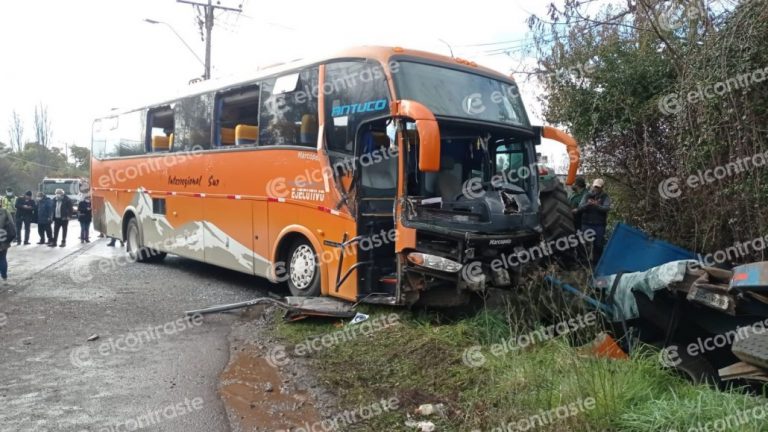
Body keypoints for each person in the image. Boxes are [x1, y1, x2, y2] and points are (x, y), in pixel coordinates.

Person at [577, 178, 612, 264]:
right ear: (593, 186)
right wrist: (588, 204)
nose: (596, 189)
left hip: (599, 225)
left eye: (598, 187)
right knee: (584, 245)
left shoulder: (605, 197)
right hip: (586, 224)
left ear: (602, 187)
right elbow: (580, 207)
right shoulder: (587, 195)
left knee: (598, 245)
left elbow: (607, 208)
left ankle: (596, 264)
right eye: (595, 187)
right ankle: (584, 263)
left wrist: (596, 205)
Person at [0, 204, 16, 284]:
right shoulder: (5, 211)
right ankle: (4, 277)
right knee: (2, 258)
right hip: (3, 238)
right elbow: (12, 225)